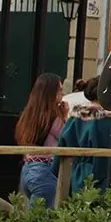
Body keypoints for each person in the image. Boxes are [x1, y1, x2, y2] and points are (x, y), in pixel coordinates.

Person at [14, 73, 68, 208]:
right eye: (60, 90)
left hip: (28, 169)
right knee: (41, 217)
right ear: (51, 93)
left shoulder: (29, 115)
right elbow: (66, 138)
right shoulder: (53, 117)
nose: (63, 93)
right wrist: (65, 116)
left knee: (35, 214)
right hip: (44, 171)